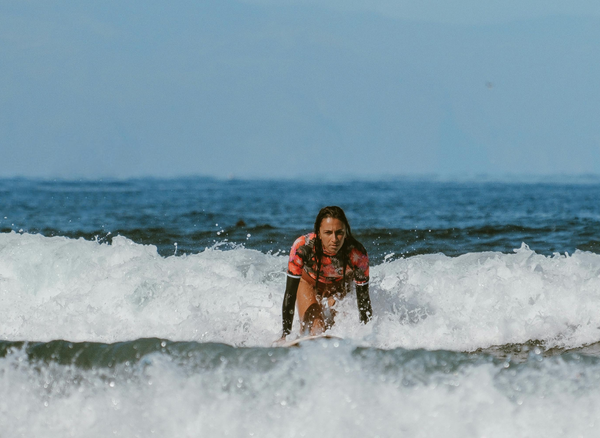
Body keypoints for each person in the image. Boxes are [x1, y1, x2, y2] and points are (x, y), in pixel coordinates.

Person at [280, 206, 373, 339]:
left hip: (340, 287)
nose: (334, 239)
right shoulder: (302, 247)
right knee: (316, 329)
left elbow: (364, 300)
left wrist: (367, 336)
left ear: (346, 232)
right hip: (309, 284)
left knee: (344, 327)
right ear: (318, 232)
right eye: (328, 232)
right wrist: (285, 335)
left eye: (339, 232)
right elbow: (290, 294)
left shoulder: (357, 254)